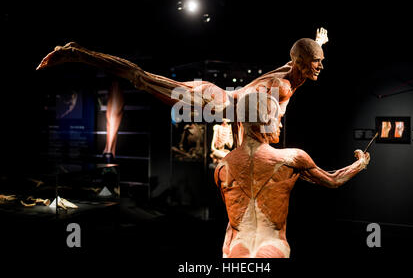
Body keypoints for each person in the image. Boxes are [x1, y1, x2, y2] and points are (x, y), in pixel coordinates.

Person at [36, 29, 329, 145]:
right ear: (301, 62)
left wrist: (319, 44)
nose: (320, 66)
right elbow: (246, 111)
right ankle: (76, 53)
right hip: (211, 101)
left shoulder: (292, 76)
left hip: (223, 103)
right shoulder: (278, 88)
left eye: (320, 61)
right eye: (316, 61)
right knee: (140, 77)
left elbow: (291, 65)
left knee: (142, 78)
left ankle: (76, 52)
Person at [214, 93, 370, 258]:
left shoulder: (223, 166)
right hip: (273, 249)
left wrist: (226, 251)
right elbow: (334, 180)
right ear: (265, 120)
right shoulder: (291, 158)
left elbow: (233, 222)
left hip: (236, 251)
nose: (280, 125)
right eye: (278, 119)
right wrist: (360, 164)